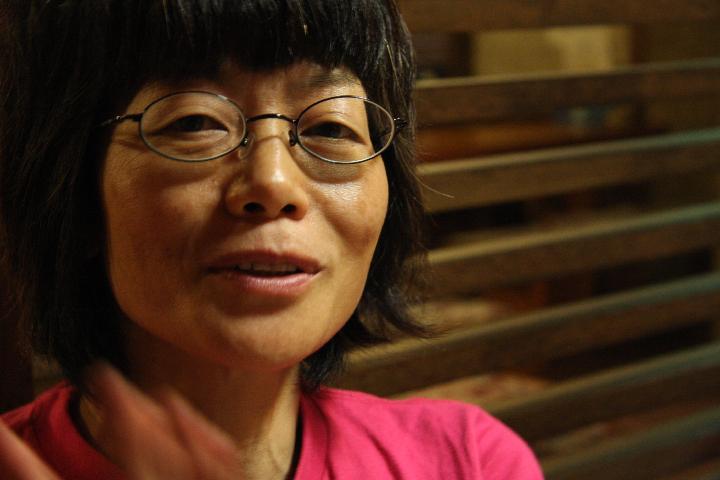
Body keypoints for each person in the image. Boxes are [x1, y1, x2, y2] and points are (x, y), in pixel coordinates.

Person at [0, 0, 544, 478]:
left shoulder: (469, 462)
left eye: (330, 128)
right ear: (76, 199)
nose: (273, 182)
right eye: (195, 123)